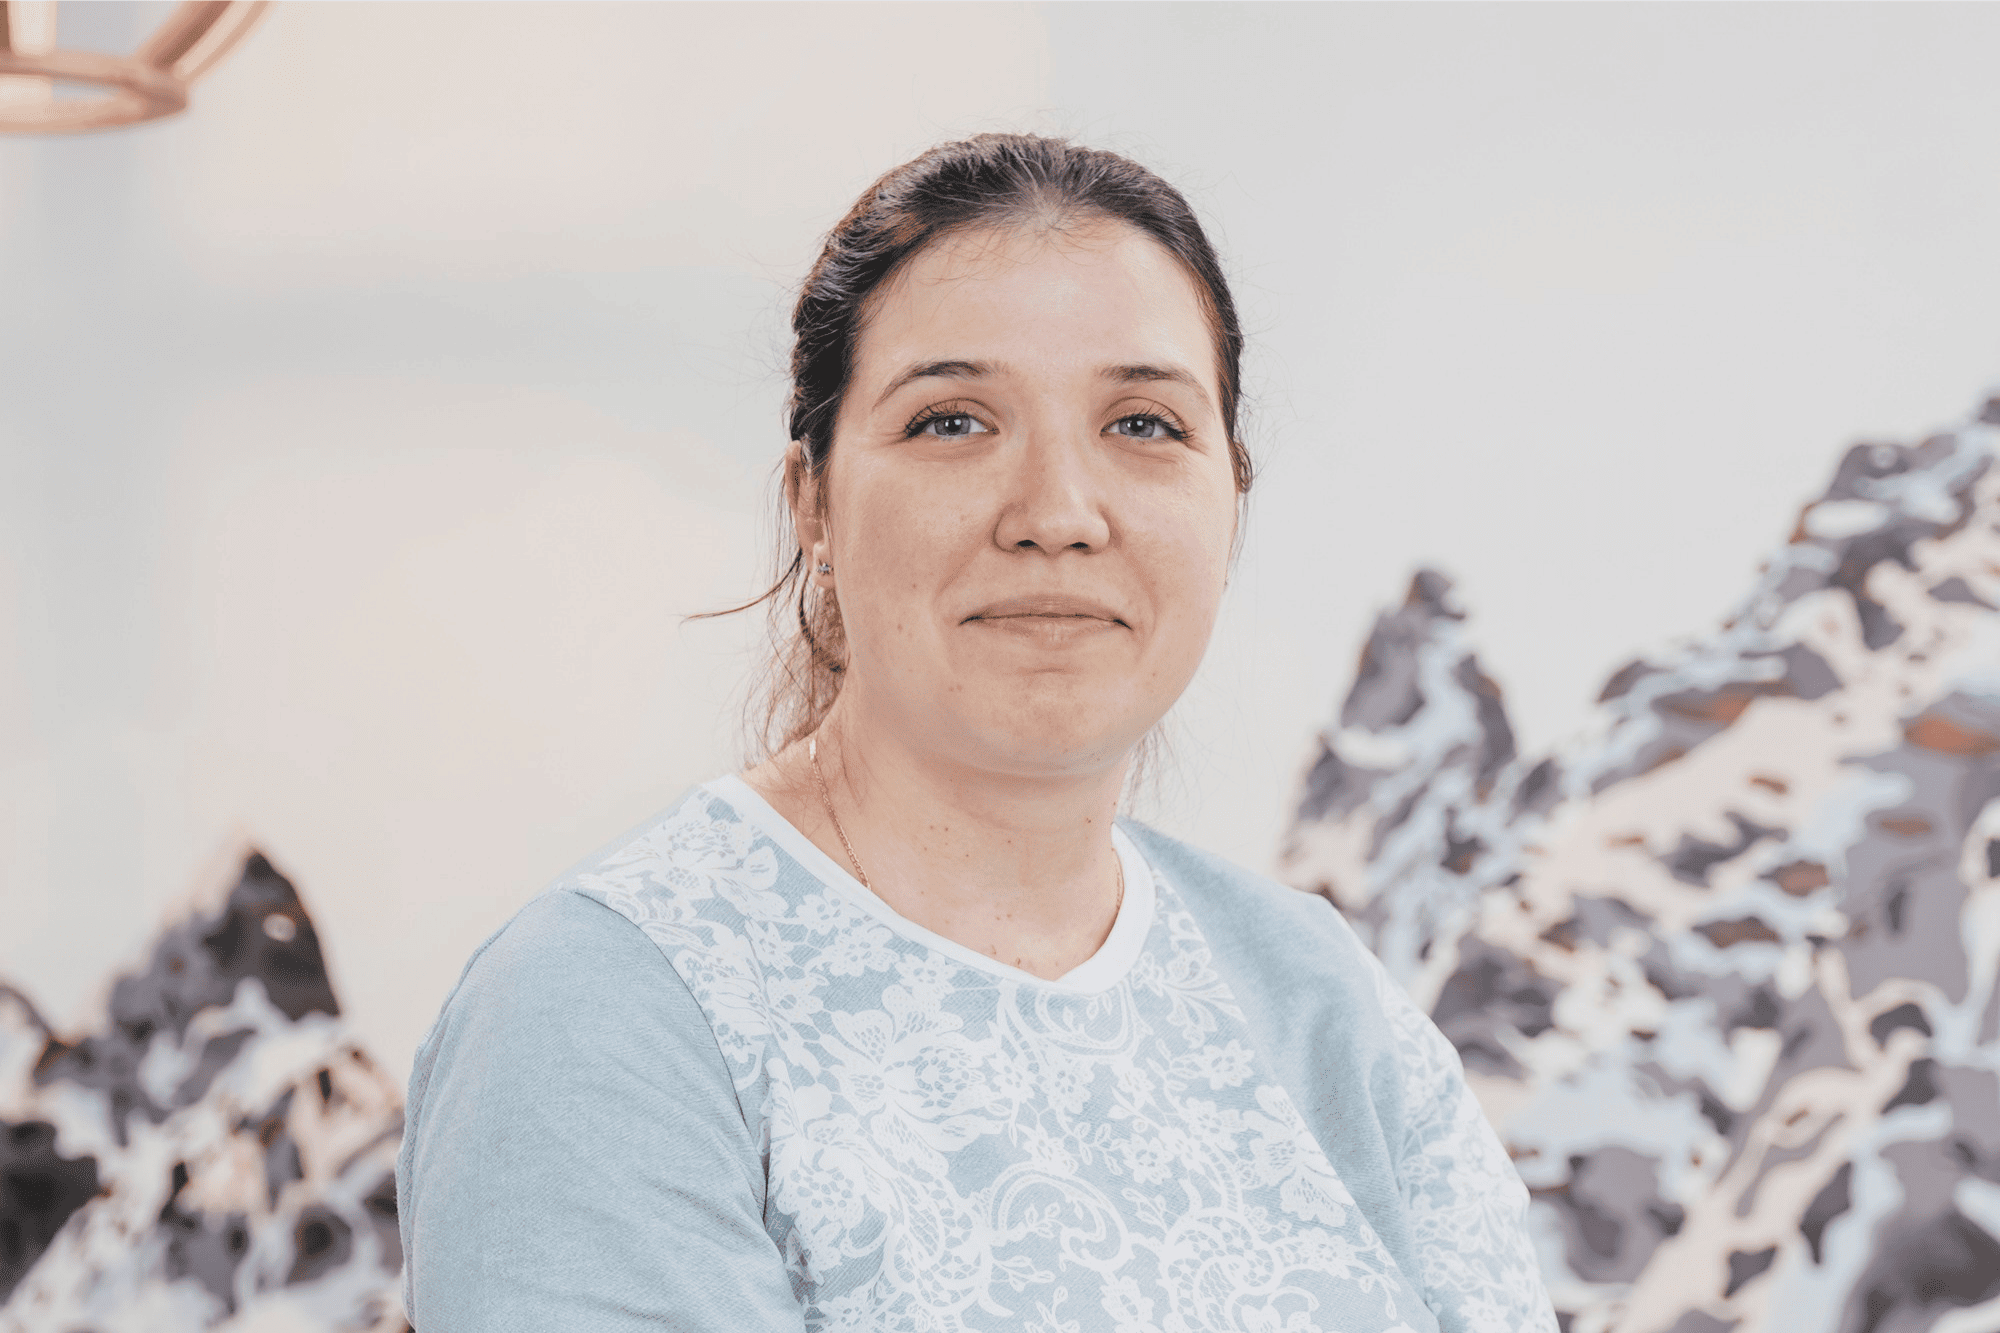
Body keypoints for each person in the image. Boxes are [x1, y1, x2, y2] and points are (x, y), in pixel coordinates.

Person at [396, 133, 1557, 1333]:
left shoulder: (1318, 1001)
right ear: (813, 501)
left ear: (1231, 496)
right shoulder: (605, 1013)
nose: (1056, 513)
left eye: (1144, 424)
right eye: (953, 422)